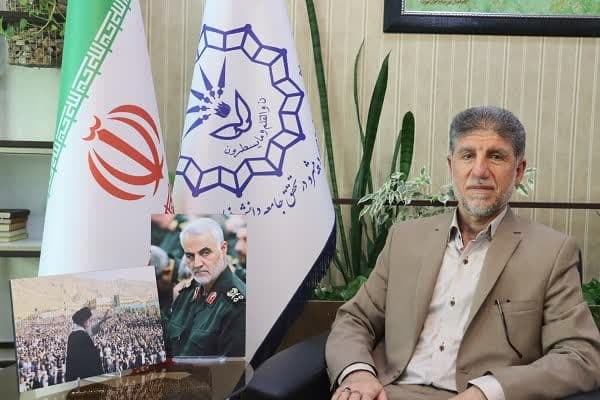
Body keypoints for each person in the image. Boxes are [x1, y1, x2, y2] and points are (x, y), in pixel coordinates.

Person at [326, 106, 600, 400]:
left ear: (519, 171)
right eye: (468, 155)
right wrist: (358, 373)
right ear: (451, 165)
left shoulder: (552, 252)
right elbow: (355, 320)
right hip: (385, 392)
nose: (479, 171)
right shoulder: (404, 239)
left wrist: (488, 391)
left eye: (496, 156)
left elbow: (581, 355)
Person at [164, 218, 246, 357]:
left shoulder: (237, 305)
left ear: (223, 249)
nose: (197, 264)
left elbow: (230, 368)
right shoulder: (187, 292)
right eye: (190, 256)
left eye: (205, 253)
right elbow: (169, 344)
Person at [65, 307, 110, 382]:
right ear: (85, 321)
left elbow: (92, 330)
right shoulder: (83, 336)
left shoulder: (73, 335)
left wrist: (101, 321)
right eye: (89, 320)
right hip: (87, 377)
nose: (90, 322)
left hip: (76, 378)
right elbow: (90, 360)